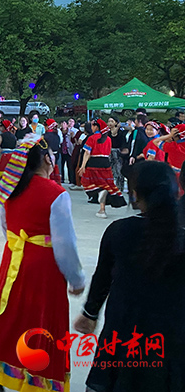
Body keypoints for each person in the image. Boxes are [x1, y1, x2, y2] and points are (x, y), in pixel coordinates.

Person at [0, 137, 86, 392]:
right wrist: (76, 278)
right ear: (47, 160)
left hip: (14, 257)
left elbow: (5, 227)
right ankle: (36, 378)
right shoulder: (56, 194)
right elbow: (65, 244)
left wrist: (19, 246)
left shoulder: (10, 189)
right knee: (41, 321)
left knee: (8, 314)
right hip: (43, 265)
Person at [73, 160, 184, 392]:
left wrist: (90, 313)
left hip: (123, 334)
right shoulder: (179, 238)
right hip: (172, 340)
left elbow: (102, 277)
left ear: (135, 194)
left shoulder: (120, 231)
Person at [79, 119, 127, 218]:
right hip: (105, 163)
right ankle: (102, 208)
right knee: (104, 185)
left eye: (92, 125)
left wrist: (83, 166)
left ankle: (102, 208)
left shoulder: (91, 138)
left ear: (96, 127)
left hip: (93, 162)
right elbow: (108, 152)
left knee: (88, 182)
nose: (91, 127)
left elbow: (87, 153)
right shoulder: (108, 139)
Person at [106, 116, 126, 192]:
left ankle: (119, 187)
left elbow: (122, 143)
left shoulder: (121, 132)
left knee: (119, 170)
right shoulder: (107, 133)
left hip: (118, 152)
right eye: (109, 121)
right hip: (109, 152)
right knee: (110, 170)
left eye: (112, 121)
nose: (110, 123)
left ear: (116, 123)